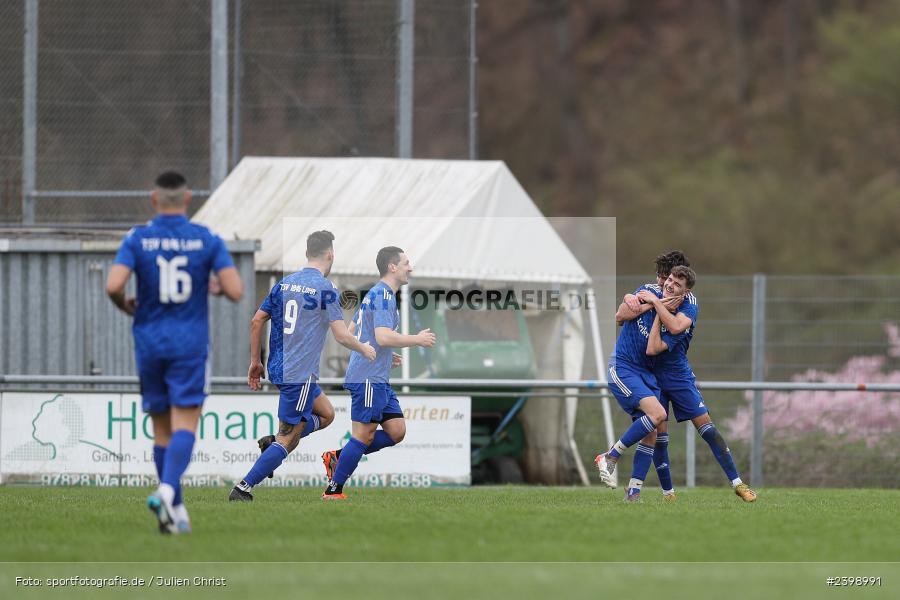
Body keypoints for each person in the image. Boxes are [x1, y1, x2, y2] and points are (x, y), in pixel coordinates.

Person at [106, 171, 243, 533]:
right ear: (188, 199)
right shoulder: (205, 239)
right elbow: (236, 290)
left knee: (161, 431)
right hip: (189, 344)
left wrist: (127, 306)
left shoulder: (138, 238)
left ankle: (176, 515)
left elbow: (113, 285)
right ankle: (167, 491)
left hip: (149, 342)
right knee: (186, 425)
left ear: (154, 199)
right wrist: (213, 286)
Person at [229, 231, 376, 501]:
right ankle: (243, 487)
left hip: (279, 368)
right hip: (299, 375)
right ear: (330, 254)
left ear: (307, 253)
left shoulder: (284, 284)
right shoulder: (326, 289)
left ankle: (273, 442)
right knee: (289, 438)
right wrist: (365, 348)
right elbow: (342, 336)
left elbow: (256, 321)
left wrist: (255, 361)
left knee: (327, 414)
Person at [321, 246, 436, 500]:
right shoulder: (382, 296)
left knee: (396, 431)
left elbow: (354, 331)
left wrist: (382, 355)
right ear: (392, 267)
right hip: (367, 380)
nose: (410, 267)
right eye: (406, 262)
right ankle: (334, 489)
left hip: (377, 378)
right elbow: (382, 336)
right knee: (363, 436)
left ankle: (338, 457)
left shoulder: (376, 295)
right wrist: (416, 339)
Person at [641, 266, 757, 502]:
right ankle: (668, 493)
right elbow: (625, 316)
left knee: (707, 428)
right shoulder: (653, 292)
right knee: (659, 434)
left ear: (686, 291)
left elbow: (673, 327)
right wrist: (645, 302)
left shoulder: (688, 307)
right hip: (653, 376)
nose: (670, 284)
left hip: (678, 376)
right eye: (669, 279)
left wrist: (656, 303)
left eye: (677, 283)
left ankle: (738, 483)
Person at [593, 263, 680, 491]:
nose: (664, 284)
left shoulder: (683, 308)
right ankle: (610, 456)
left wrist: (658, 305)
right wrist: (649, 302)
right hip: (623, 368)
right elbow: (620, 315)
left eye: (670, 280)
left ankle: (633, 492)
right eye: (663, 279)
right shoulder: (646, 291)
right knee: (658, 414)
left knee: (651, 430)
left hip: (648, 375)